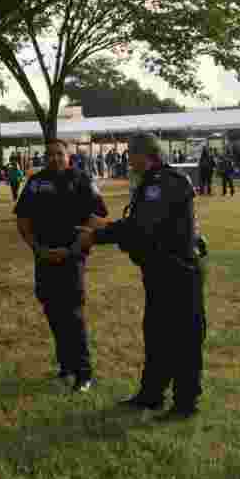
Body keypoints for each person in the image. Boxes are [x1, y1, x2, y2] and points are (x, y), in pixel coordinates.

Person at [77, 132, 207, 420]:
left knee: (183, 340)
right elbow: (138, 226)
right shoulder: (151, 183)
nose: (128, 160)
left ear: (143, 154)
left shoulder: (163, 183)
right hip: (161, 273)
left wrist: (97, 236)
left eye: (130, 154)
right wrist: (109, 229)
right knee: (158, 335)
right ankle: (151, 395)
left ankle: (185, 403)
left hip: (178, 273)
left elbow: (141, 228)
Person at [15, 139, 108, 393]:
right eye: (50, 154)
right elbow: (22, 219)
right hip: (43, 257)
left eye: (59, 154)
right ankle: (66, 365)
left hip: (71, 258)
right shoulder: (35, 182)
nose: (54, 158)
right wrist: (38, 248)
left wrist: (72, 249)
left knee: (73, 315)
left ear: (68, 157)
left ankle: (84, 373)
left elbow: (97, 217)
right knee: (52, 310)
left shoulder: (81, 180)